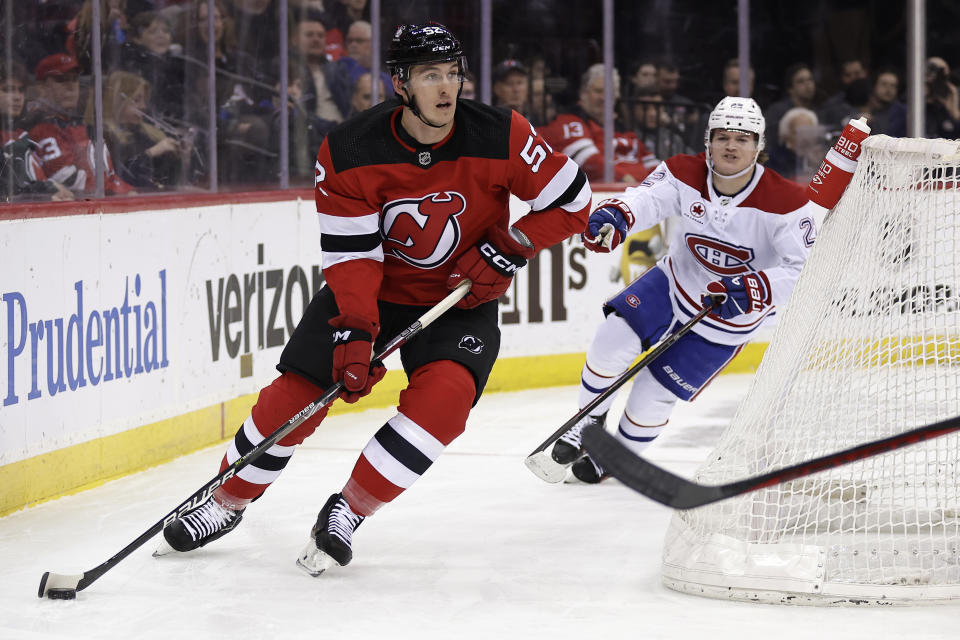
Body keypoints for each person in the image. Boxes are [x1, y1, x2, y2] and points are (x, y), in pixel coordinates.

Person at [155, 22, 592, 575]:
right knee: (297, 393)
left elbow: (573, 201)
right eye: (430, 76)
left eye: (453, 74)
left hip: (460, 299)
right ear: (400, 84)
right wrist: (357, 329)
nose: (446, 89)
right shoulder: (349, 149)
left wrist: (509, 246)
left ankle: (349, 511)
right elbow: (355, 258)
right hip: (376, 293)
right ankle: (224, 500)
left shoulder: (502, 133)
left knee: (446, 402)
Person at [549, 97, 818, 483]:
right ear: (707, 140)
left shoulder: (787, 202)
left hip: (728, 316)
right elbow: (646, 199)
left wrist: (756, 287)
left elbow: (805, 270)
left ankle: (618, 457)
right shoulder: (682, 171)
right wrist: (619, 215)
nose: (731, 146)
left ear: (759, 147)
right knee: (610, 343)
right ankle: (586, 424)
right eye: (722, 136)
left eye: (743, 139)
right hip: (673, 283)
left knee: (651, 398)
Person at [25, 53, 134, 195]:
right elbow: (71, 181)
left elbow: (109, 175)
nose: (71, 87)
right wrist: (120, 192)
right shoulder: (40, 128)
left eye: (74, 79)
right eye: (61, 80)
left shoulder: (80, 125)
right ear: (41, 87)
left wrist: (128, 191)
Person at [541, 63, 657, 183]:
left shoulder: (622, 127)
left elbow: (652, 164)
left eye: (609, 93)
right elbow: (589, 163)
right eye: (598, 91)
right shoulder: (569, 121)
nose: (603, 98)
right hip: (612, 194)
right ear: (583, 93)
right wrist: (629, 182)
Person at [0, 58, 73, 201]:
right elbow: (7, 191)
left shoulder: (22, 133)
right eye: (8, 90)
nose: (17, 97)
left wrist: (51, 187)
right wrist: (42, 192)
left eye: (21, 90)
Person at [764, 63, 818, 148]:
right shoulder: (777, 112)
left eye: (810, 80)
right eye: (801, 81)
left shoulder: (818, 111)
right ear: (790, 89)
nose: (808, 85)